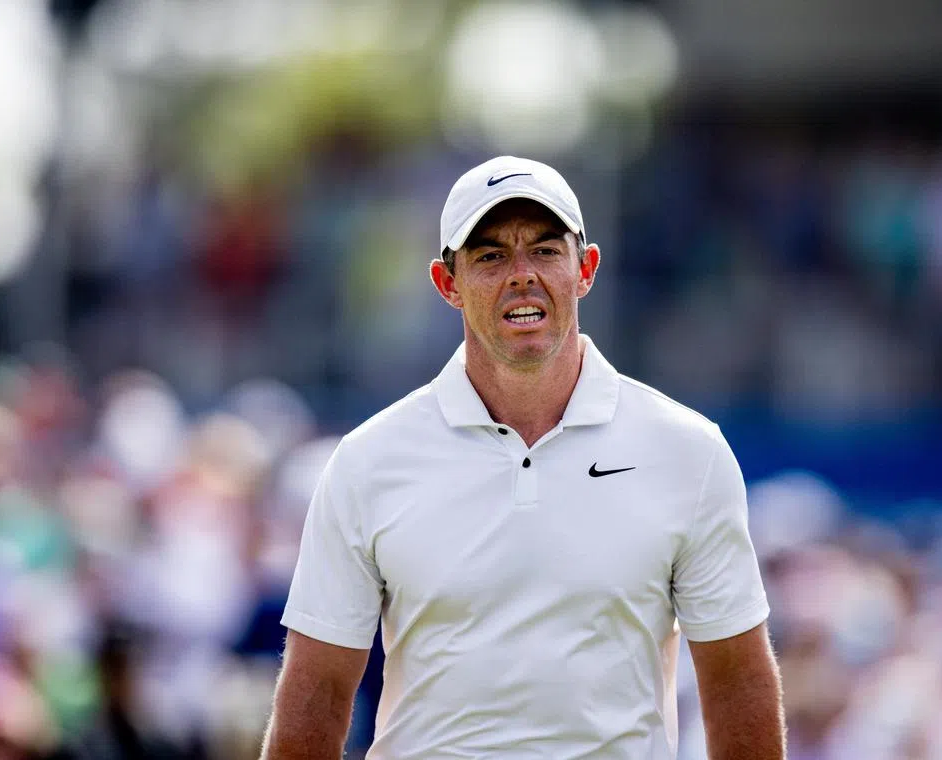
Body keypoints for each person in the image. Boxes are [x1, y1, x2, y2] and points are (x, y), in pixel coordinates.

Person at [261, 156, 785, 759]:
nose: (522, 276)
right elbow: (317, 691)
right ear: (447, 284)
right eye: (490, 257)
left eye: (545, 251)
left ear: (584, 269)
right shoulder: (367, 462)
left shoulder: (688, 452)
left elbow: (737, 679)